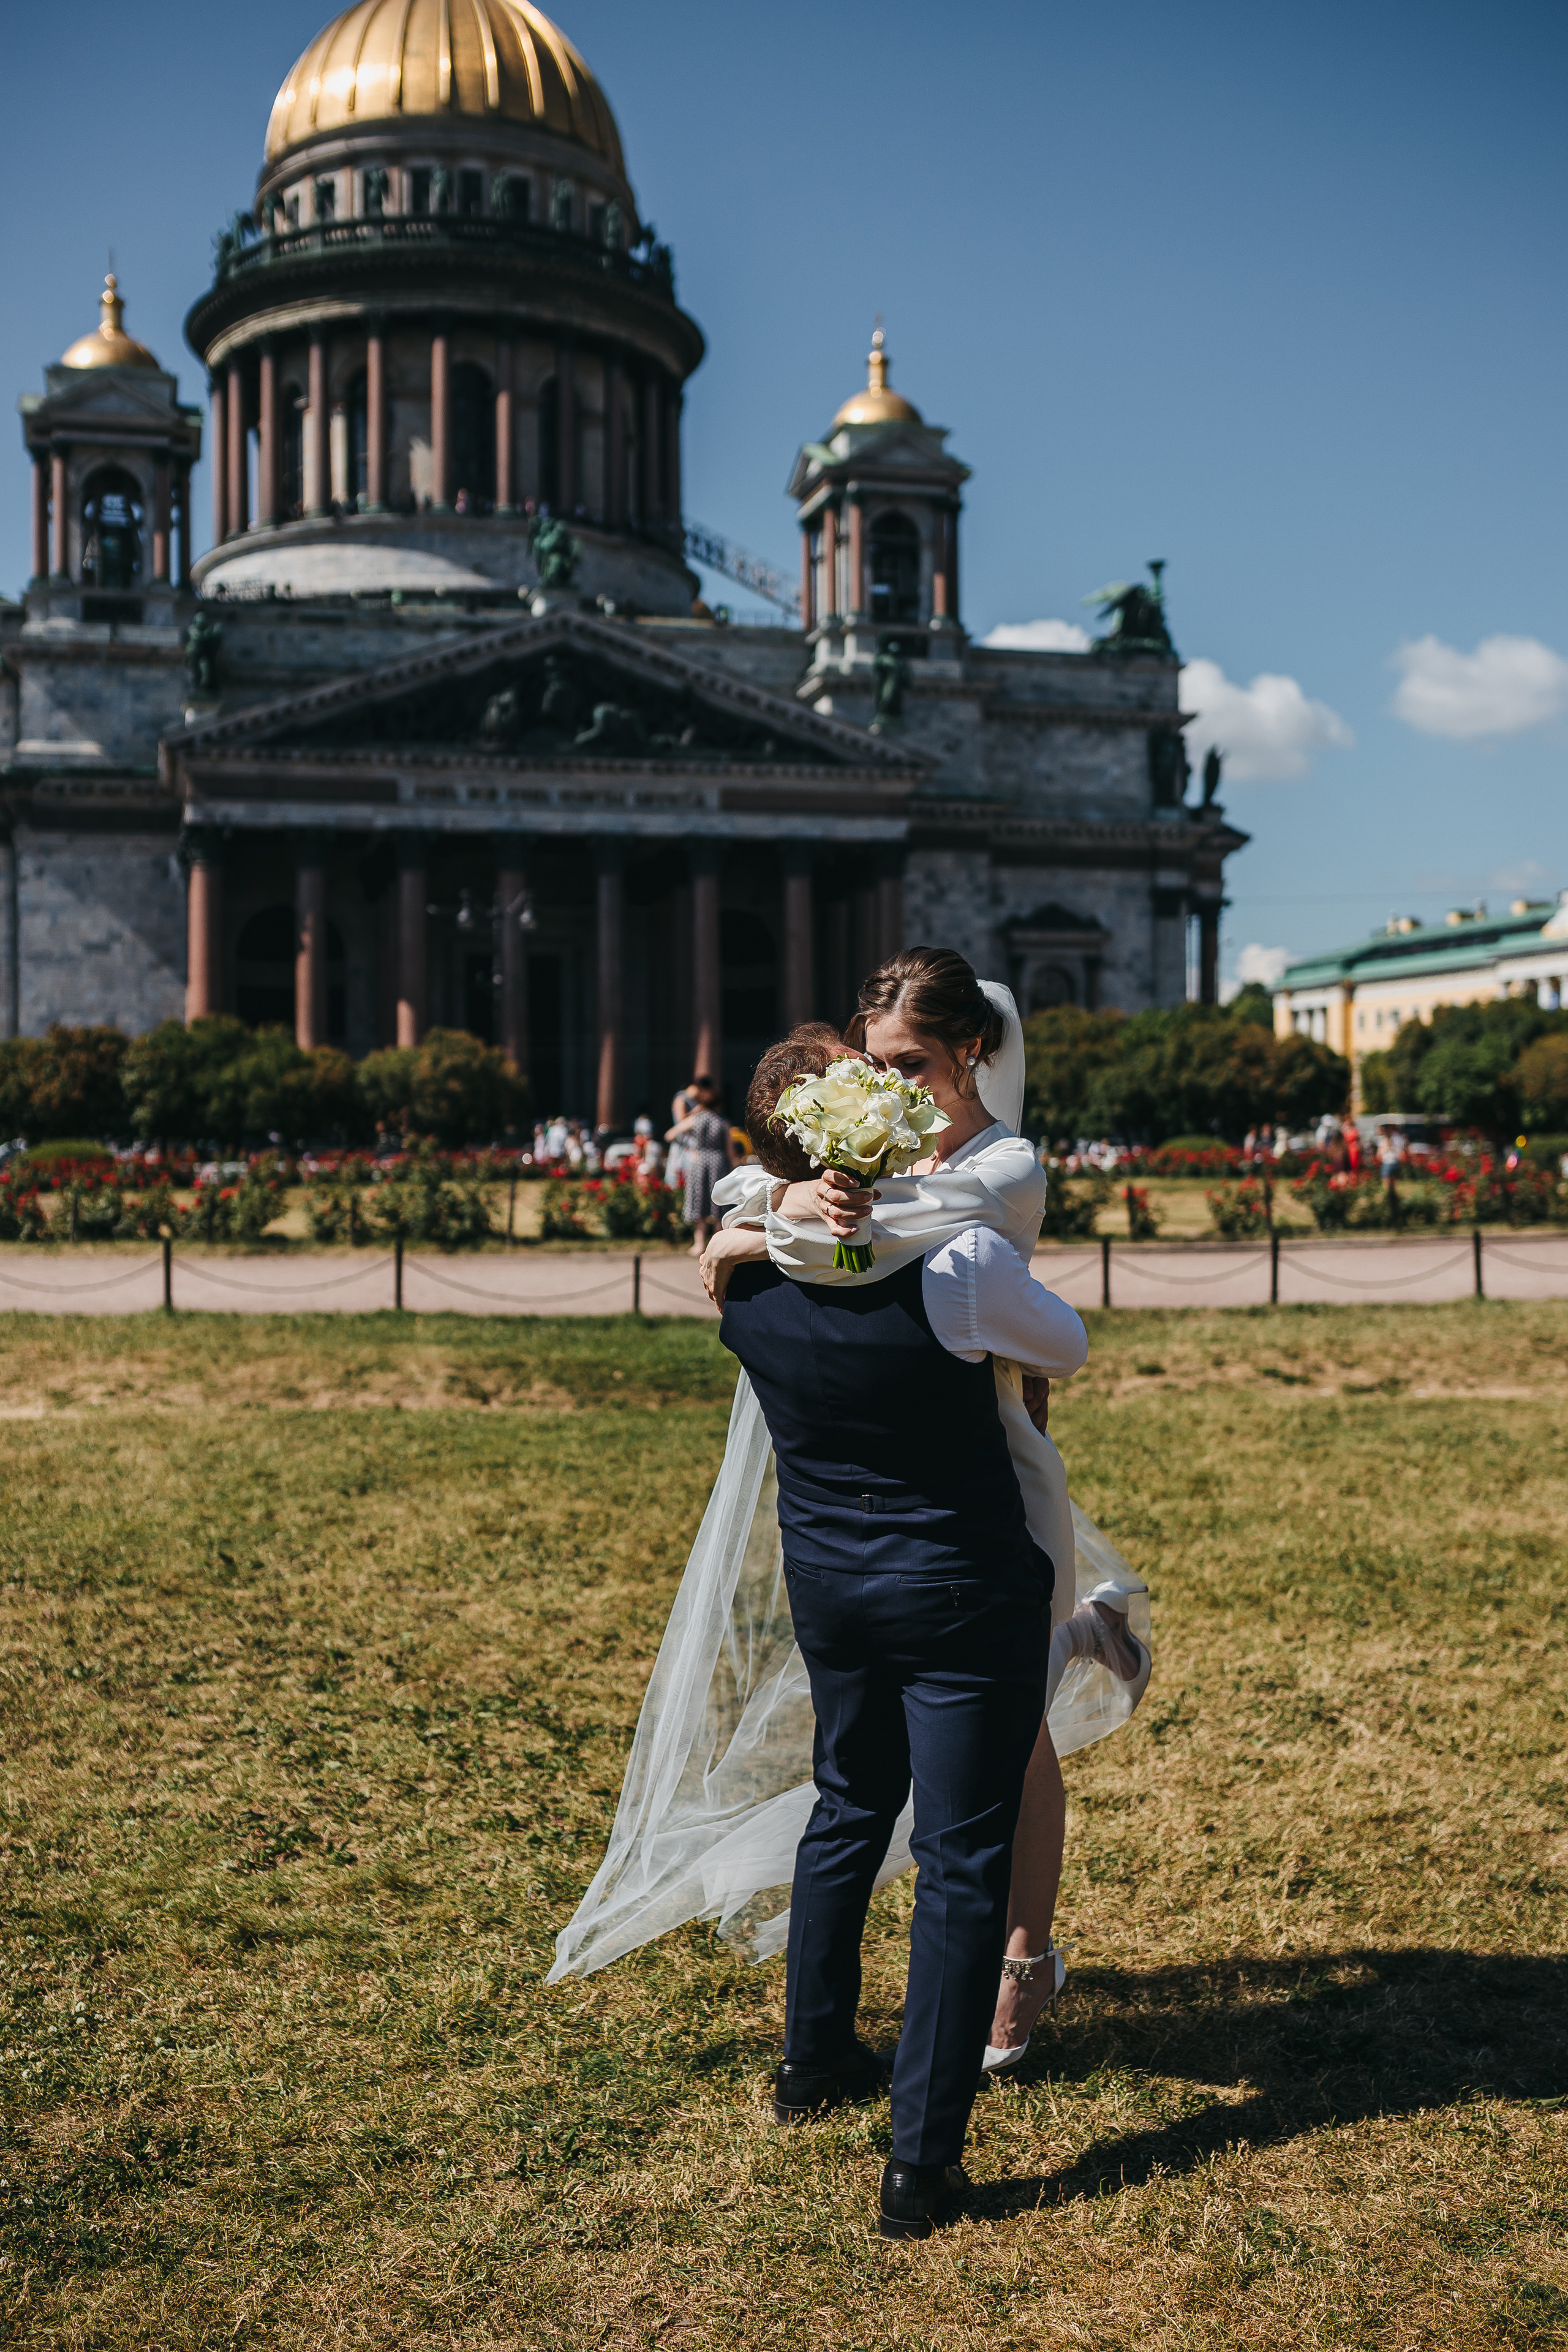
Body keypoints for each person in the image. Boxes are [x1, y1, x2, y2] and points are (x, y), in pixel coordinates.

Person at [549, 960, 1150, 2236]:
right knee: (957, 1862)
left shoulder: (743, 1279)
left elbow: (734, 1242)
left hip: (827, 1582)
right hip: (958, 1586)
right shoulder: (963, 1265)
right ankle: (916, 2165)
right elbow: (1067, 1346)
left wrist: (765, 1212)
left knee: (843, 1810)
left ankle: (811, 2058)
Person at [666, 1075, 735, 1256]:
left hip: (699, 1162)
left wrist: (692, 1147)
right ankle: (718, 1243)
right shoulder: (723, 1122)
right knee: (718, 1204)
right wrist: (734, 1166)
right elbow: (730, 1151)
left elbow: (670, 1135)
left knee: (700, 1202)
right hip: (718, 1163)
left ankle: (699, 1244)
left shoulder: (695, 1119)